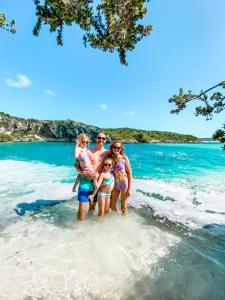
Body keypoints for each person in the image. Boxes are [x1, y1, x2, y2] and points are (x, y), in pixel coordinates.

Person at [75, 132, 109, 221]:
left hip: (96, 183)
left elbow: (114, 165)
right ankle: (78, 228)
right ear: (96, 139)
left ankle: (88, 229)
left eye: (103, 138)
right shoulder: (87, 151)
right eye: (99, 138)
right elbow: (76, 165)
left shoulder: (107, 153)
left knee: (92, 208)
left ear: (105, 141)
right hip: (85, 181)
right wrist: (82, 172)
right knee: (82, 208)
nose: (101, 140)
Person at [109, 140, 132, 215]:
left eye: (118, 147)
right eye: (114, 147)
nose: (116, 149)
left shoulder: (124, 158)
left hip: (124, 184)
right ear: (112, 148)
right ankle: (116, 219)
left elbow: (130, 174)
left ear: (121, 149)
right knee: (111, 205)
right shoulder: (111, 159)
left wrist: (129, 189)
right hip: (116, 185)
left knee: (124, 206)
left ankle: (124, 223)